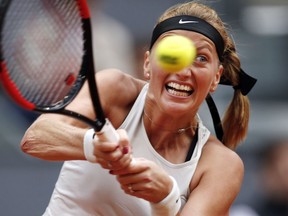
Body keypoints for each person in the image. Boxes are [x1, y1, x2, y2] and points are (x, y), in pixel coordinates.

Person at [20, 1, 256, 215]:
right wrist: (95, 146)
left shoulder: (220, 165)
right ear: (147, 64)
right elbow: (35, 138)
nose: (184, 71)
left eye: (202, 59)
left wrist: (166, 199)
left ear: (216, 78)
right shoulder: (113, 89)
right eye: (171, 54)